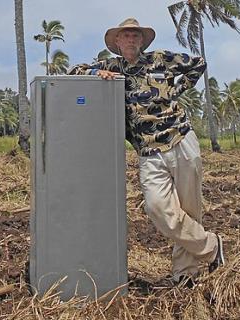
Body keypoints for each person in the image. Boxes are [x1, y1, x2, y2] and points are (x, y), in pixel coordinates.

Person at [68, 17, 225, 287]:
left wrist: (174, 91)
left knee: (188, 210)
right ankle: (212, 247)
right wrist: (97, 74)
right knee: (157, 208)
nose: (130, 40)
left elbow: (198, 64)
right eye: (125, 36)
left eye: (135, 36)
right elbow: (73, 71)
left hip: (179, 139)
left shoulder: (160, 59)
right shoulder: (111, 66)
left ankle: (185, 275)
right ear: (117, 42)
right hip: (148, 151)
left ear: (142, 41)